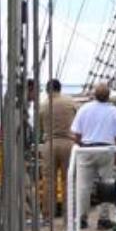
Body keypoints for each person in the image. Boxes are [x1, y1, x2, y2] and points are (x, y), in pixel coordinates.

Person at [69, 81, 116, 227]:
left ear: (94, 95)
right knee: (106, 185)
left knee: (83, 186)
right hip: (106, 150)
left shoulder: (84, 109)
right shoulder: (114, 111)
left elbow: (76, 134)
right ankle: (104, 218)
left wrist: (81, 147)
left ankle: (82, 218)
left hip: (86, 149)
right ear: (108, 96)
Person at [39, 78, 79, 215]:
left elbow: (38, 127)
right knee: (68, 179)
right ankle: (69, 214)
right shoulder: (70, 102)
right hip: (68, 143)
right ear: (60, 88)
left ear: (47, 90)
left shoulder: (43, 105)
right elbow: (78, 120)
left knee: (49, 180)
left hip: (50, 144)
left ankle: (48, 214)